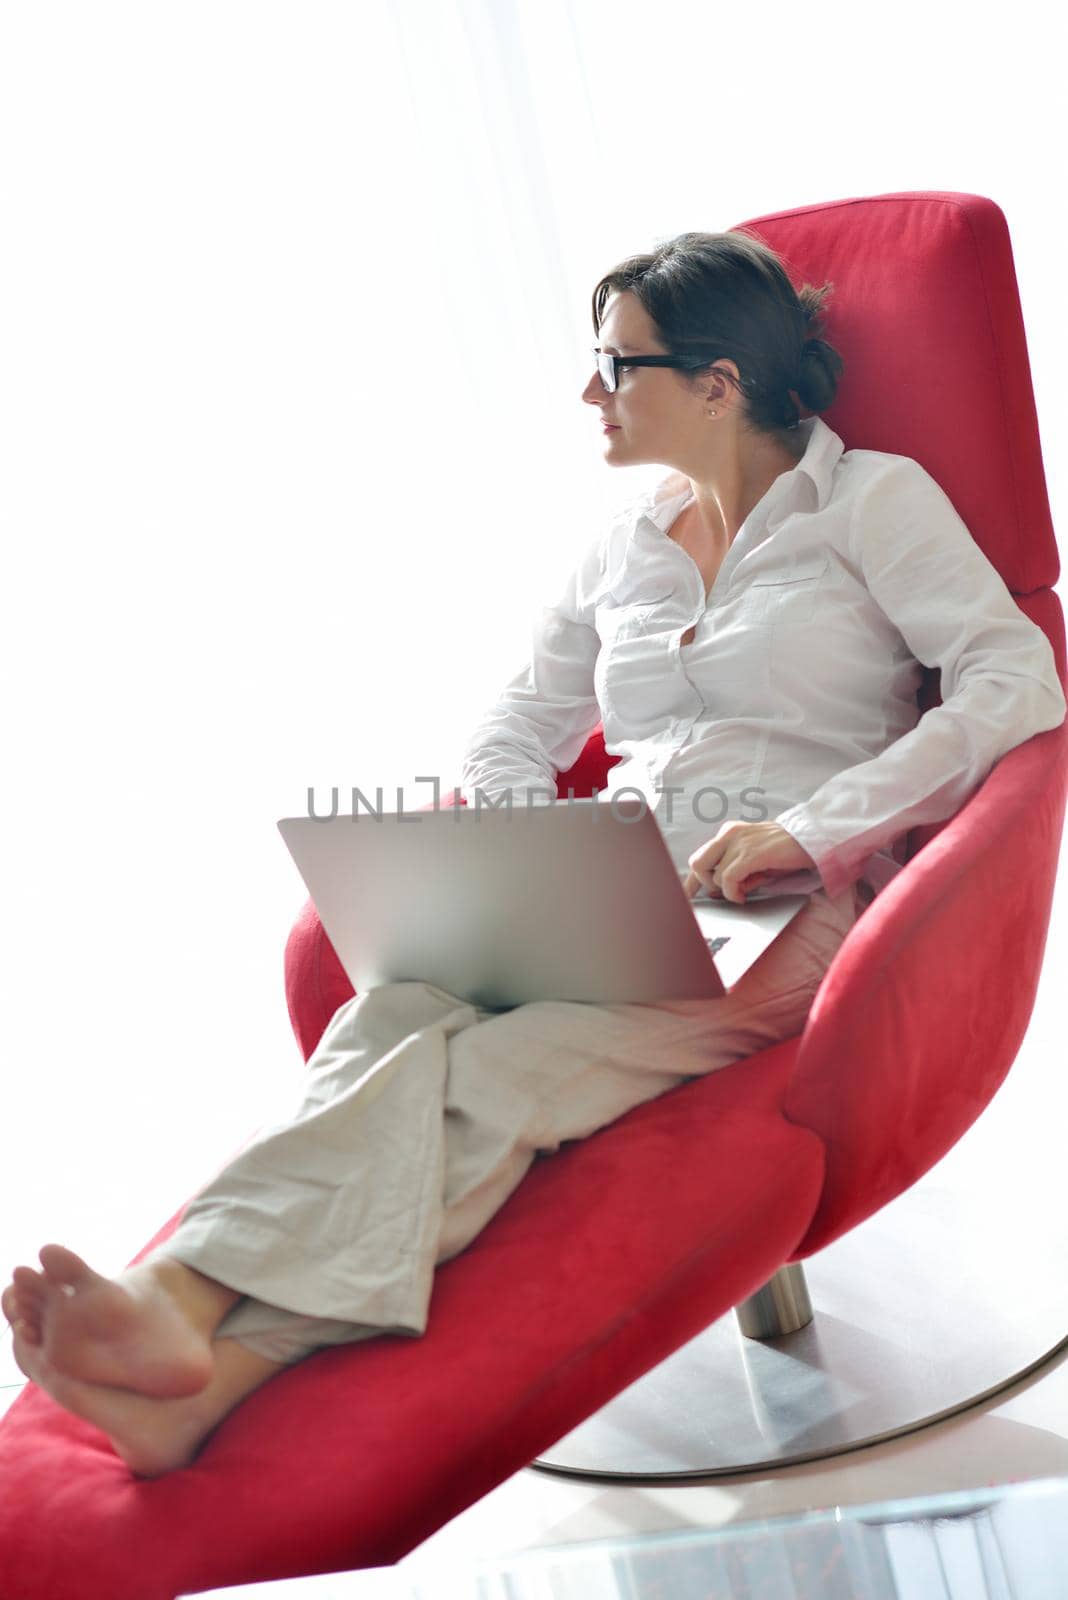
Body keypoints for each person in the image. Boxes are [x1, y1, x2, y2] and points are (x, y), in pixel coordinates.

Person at [4, 231, 1065, 1478]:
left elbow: (1017, 679)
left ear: (719, 382)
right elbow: (518, 721)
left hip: (785, 911)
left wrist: (809, 828)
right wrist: (530, 840)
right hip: (611, 890)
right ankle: (199, 1370)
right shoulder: (624, 544)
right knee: (386, 1014)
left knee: (508, 1066)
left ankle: (185, 1305)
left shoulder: (873, 503)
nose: (589, 392)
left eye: (616, 364)